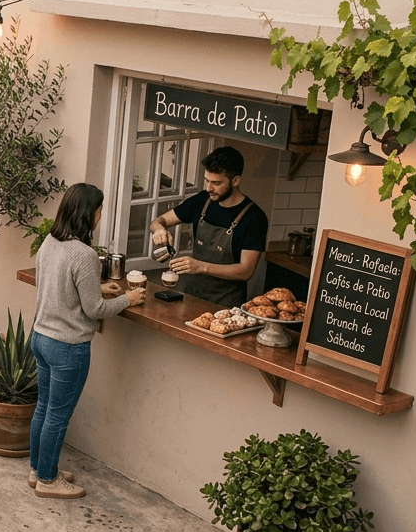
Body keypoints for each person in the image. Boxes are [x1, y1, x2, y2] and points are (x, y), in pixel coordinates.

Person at [30, 183, 145, 499]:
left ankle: (38, 470)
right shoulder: (84, 254)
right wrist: (128, 299)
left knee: (43, 407)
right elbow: (94, 309)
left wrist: (98, 288)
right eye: (99, 210)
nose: (100, 215)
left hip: (40, 337)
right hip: (67, 347)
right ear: (89, 214)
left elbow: (57, 287)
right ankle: (48, 481)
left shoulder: (49, 243)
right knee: (58, 416)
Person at [148, 146, 268, 306]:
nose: (208, 188)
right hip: (190, 295)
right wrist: (159, 230)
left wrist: (201, 267)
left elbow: (246, 271)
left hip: (225, 304)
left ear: (236, 180)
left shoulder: (254, 217)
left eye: (216, 183)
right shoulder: (201, 201)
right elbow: (158, 221)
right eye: (207, 180)